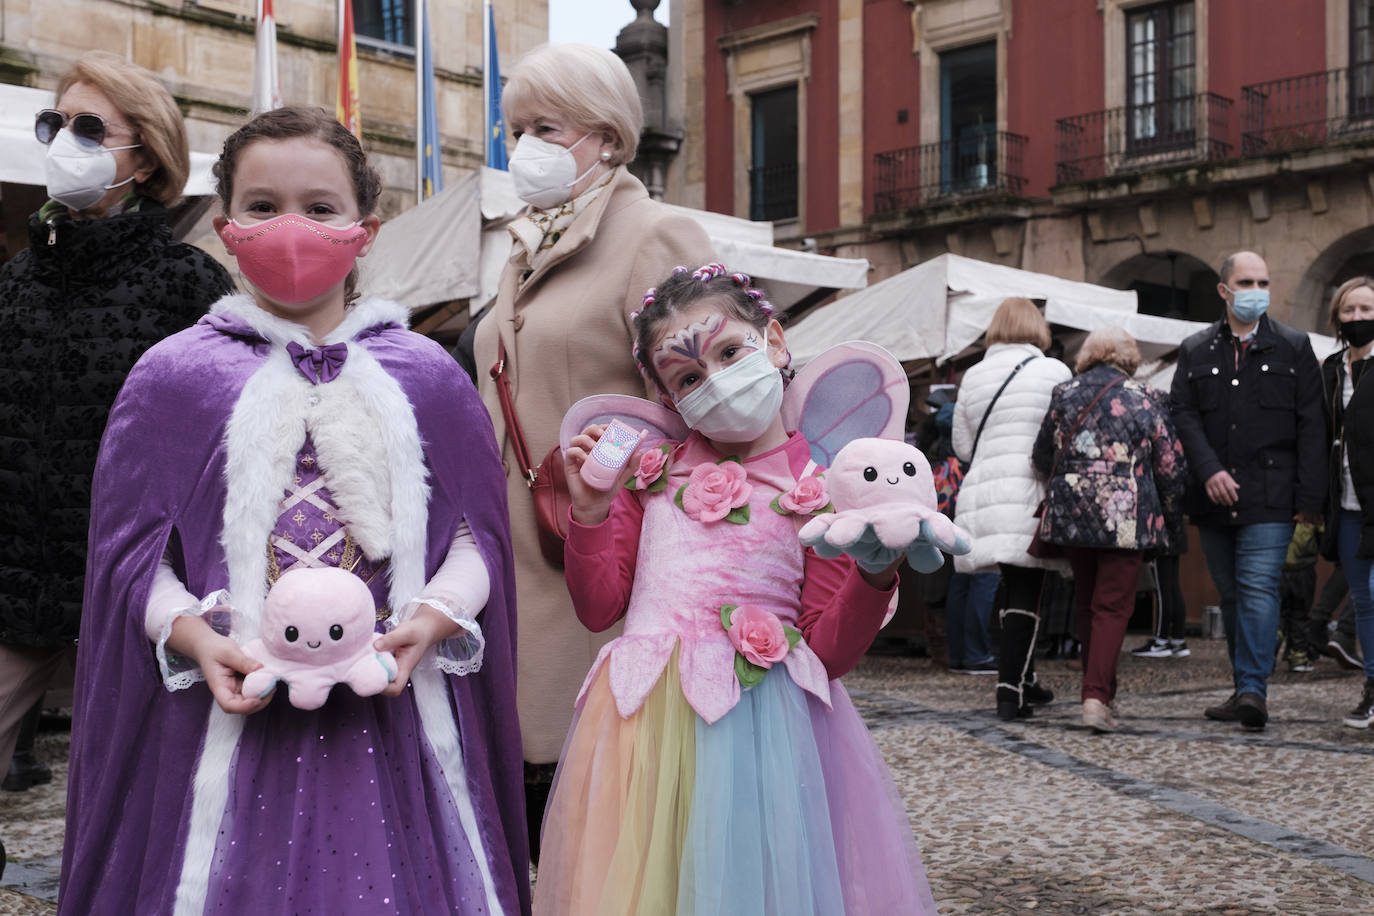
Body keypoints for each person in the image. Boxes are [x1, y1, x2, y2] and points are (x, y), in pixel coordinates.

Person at [57, 107, 528, 914]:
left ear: (365, 228)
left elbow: (475, 535)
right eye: (263, 206)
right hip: (227, 714)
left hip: (391, 726)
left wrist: (436, 616)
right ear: (226, 225)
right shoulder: (173, 377)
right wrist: (200, 640)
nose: (291, 228)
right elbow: (131, 564)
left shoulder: (427, 376)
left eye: (320, 207)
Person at [533, 265, 938, 914]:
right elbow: (599, 605)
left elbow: (828, 654)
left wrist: (874, 571)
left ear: (774, 342)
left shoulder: (822, 485)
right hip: (642, 729)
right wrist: (589, 513)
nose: (715, 382)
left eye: (730, 352)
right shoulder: (650, 473)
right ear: (668, 400)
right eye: (689, 378)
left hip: (762, 733)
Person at [470, 43, 714, 857]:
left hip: (604, 547)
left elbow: (711, 397)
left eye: (546, 126)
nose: (524, 145)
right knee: (525, 790)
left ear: (607, 136)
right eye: (515, 129)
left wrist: (621, 473)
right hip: (510, 546)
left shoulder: (656, 232)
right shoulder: (520, 244)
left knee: (602, 802)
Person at [0, 52, 234, 793]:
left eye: (91, 127)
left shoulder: (188, 281)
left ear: (148, 156)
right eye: (55, 124)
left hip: (140, 578)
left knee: (141, 789)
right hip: (17, 575)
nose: (66, 141)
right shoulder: (15, 279)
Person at [1170, 250, 1326, 731]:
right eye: (1246, 281)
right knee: (1233, 595)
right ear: (1224, 290)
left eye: (1263, 281)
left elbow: (1312, 425)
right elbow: (1182, 413)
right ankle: (1244, 687)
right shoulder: (1196, 348)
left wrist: (1309, 501)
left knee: (1258, 589)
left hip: (1271, 494)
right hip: (1213, 496)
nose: (1257, 290)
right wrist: (1209, 469)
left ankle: (1254, 689)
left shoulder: (1294, 346)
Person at [1032, 326, 1187, 732]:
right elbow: (1170, 466)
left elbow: (1042, 453)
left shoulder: (1064, 394)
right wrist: (1171, 521)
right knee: (1113, 606)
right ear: (1129, 358)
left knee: (1088, 603)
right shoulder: (1147, 398)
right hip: (1125, 514)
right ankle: (1096, 697)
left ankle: (1102, 691)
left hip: (1072, 510)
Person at [952, 297, 1072, 720]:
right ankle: (1009, 691)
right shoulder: (1055, 371)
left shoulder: (973, 374)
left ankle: (1026, 678)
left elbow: (962, 447)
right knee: (1028, 588)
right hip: (1029, 489)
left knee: (1009, 583)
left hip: (983, 490)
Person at [1317, 276, 1374, 727]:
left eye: (1367, 310)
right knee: (1364, 599)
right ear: (1337, 317)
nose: (1358, 318)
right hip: (1349, 505)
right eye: (1349, 311)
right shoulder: (1331, 369)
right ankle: (1372, 687)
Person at [1277, 522, 1321, 672]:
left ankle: (1268, 652)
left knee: (1277, 615)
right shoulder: (1309, 514)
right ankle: (1298, 656)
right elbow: (1323, 533)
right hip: (1304, 569)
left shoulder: (1278, 517)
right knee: (1300, 615)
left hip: (1279, 568)